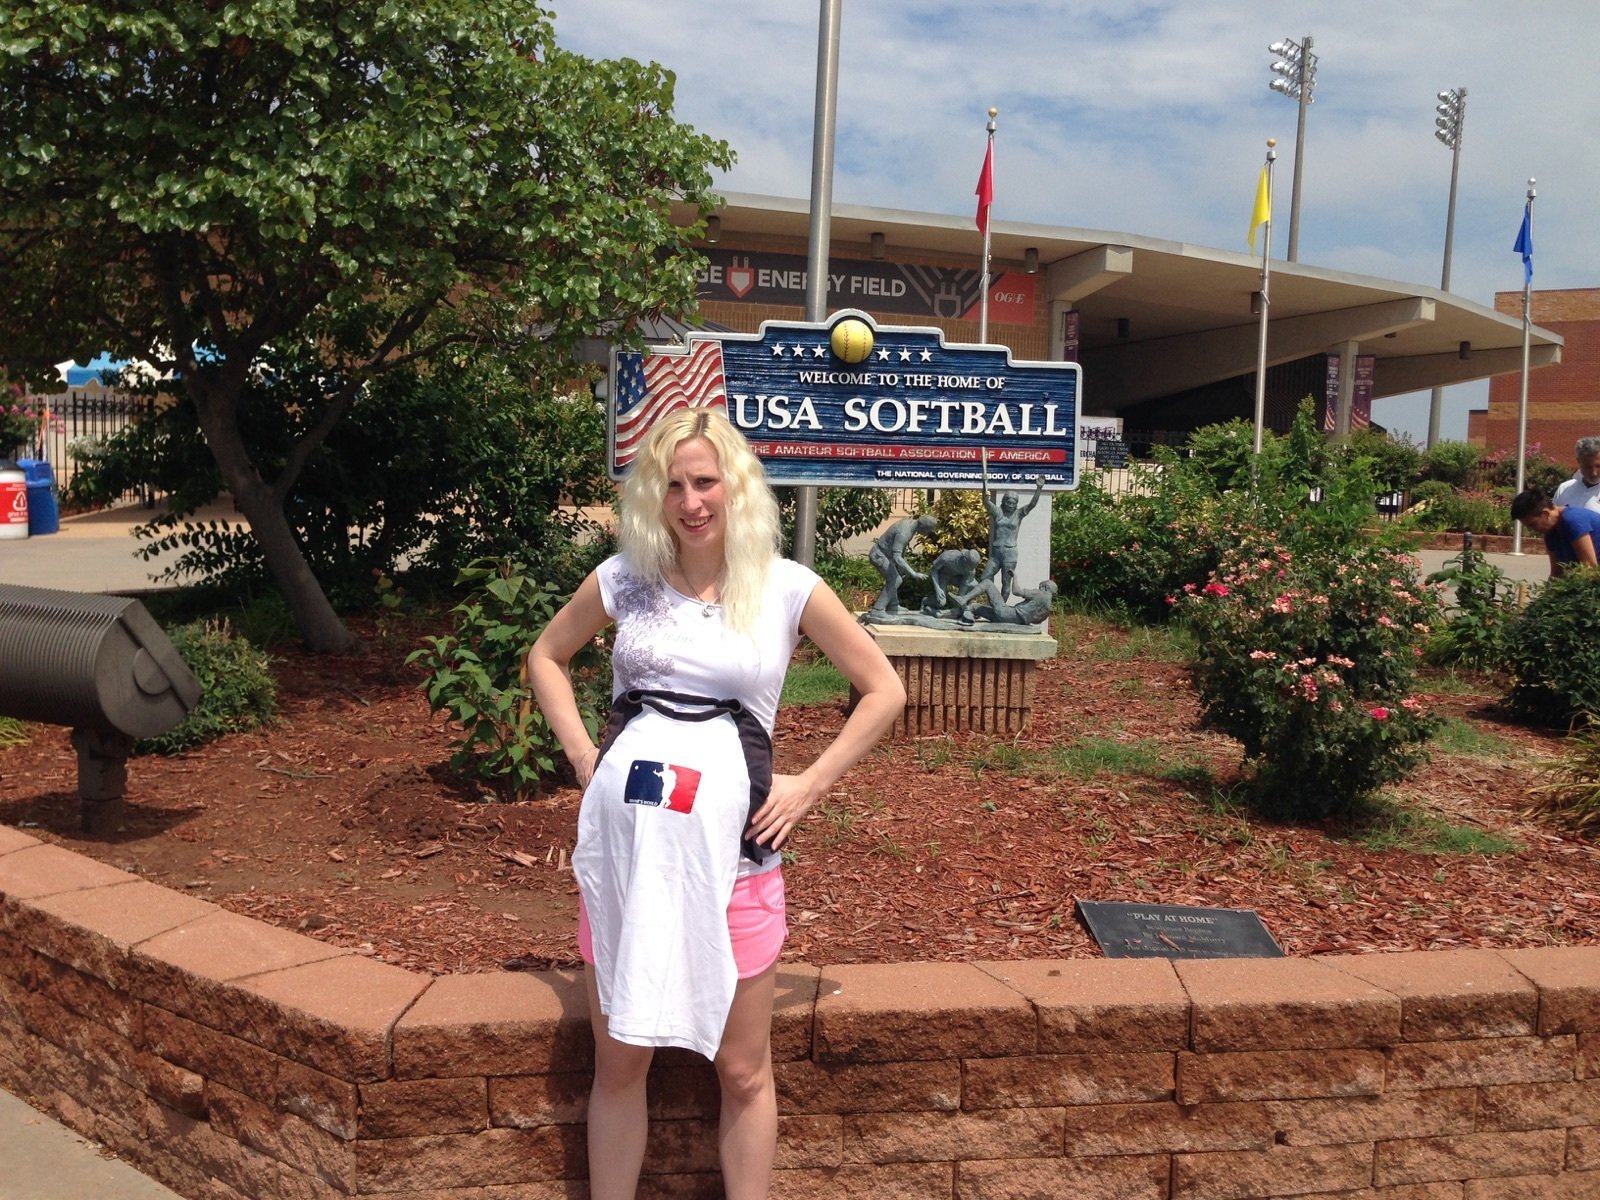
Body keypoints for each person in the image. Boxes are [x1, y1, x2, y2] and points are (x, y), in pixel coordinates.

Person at [526, 406, 904, 1200]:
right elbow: (548, 656)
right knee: (621, 1059)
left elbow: (883, 689)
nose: (691, 501)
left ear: (735, 486)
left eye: (705, 482)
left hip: (734, 863)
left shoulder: (787, 588)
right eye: (673, 486)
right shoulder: (624, 579)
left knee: (740, 1068)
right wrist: (583, 755)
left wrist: (810, 783)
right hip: (629, 860)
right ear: (651, 498)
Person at [959, 457, 1043, 607]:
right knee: (985, 577)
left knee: (1006, 583)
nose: (1010, 505)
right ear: (1003, 502)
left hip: (1010, 554)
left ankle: (999, 609)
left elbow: (1032, 504)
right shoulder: (998, 512)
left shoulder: (1019, 514)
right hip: (996, 553)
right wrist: (984, 483)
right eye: (1008, 502)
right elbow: (986, 502)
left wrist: (1038, 489)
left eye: (1013, 503)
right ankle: (980, 603)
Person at [1511, 485, 1600, 578]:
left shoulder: (1573, 520)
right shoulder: (1550, 533)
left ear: (1545, 514)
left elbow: (1589, 567)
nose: (1531, 529)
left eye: (1532, 524)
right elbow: (1557, 572)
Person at [866, 513, 937, 614]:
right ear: (922, 526)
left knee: (895, 577)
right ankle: (878, 609)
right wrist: (914, 574)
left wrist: (903, 567)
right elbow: (897, 557)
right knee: (896, 580)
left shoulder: (910, 525)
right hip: (879, 555)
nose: (929, 533)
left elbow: (900, 552)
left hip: (885, 555)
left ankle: (893, 606)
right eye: (929, 530)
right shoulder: (905, 532)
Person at [1552, 436, 1600, 513]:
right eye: (1588, 467)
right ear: (1578, 461)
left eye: (1598, 466)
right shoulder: (1564, 489)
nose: (1594, 473)